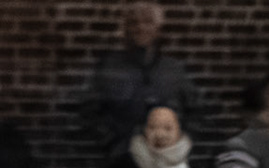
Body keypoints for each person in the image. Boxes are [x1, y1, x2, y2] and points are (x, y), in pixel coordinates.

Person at [81, 2, 199, 157]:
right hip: (123, 159)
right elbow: (90, 111)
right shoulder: (110, 67)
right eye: (134, 23)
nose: (140, 28)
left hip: (167, 161)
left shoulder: (173, 69)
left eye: (148, 22)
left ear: (158, 29)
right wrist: (111, 142)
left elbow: (195, 110)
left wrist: (179, 142)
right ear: (126, 30)